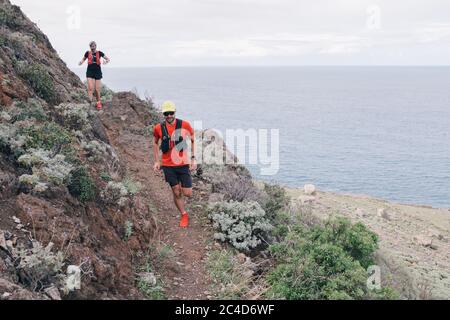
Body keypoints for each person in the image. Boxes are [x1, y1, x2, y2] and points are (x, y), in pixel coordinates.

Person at [153, 101, 197, 228]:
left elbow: (193, 139)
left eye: (171, 113)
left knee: (187, 193)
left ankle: (179, 190)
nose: (169, 115)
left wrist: (193, 158)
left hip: (183, 164)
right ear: (163, 114)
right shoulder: (158, 128)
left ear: (175, 112)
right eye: (166, 113)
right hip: (168, 165)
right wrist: (157, 161)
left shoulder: (184, 124)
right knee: (176, 192)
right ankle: (184, 214)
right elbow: (155, 143)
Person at [78, 41, 110, 110]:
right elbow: (84, 58)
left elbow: (107, 59)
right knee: (90, 88)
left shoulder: (99, 53)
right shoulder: (87, 53)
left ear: (96, 46)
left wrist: (106, 62)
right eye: (91, 46)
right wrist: (81, 62)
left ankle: (98, 102)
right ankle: (90, 101)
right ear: (90, 47)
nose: (93, 47)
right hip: (90, 71)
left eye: (94, 46)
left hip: (97, 71)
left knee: (97, 89)